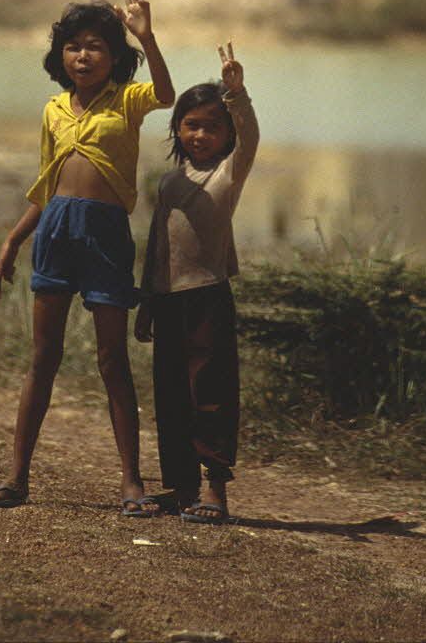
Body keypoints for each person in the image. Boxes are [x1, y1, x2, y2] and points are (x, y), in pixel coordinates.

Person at [0, 0, 174, 517]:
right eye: (73, 46)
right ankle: (17, 479)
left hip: (106, 234)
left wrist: (148, 37)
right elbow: (46, 188)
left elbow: (167, 95)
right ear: (59, 56)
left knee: (112, 360)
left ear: (115, 57)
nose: (83, 56)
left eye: (95, 46)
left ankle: (132, 484)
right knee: (44, 356)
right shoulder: (53, 110)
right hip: (56, 233)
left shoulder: (128, 102)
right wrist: (13, 240)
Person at [135, 43, 258, 525]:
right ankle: (181, 487)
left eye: (212, 125)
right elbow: (158, 245)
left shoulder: (227, 174)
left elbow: (249, 138)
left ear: (226, 133)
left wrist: (238, 96)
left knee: (210, 392)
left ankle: (214, 491)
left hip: (207, 296)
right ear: (177, 129)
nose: (201, 133)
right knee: (170, 393)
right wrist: (145, 301)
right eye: (191, 124)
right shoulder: (168, 182)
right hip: (167, 300)